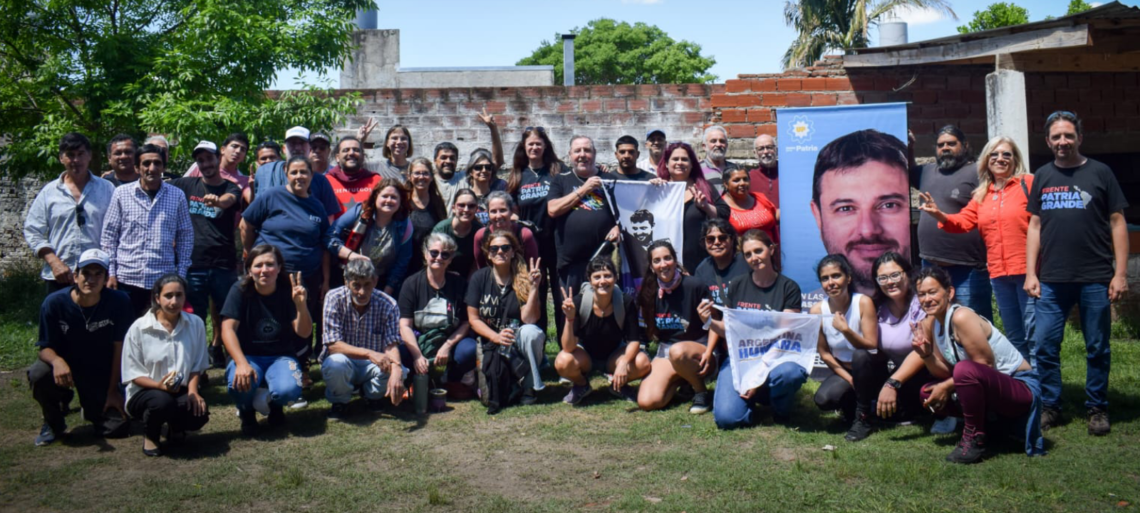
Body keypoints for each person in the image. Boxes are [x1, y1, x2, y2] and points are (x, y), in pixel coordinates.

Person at [1026, 111, 1129, 436]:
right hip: (1052, 280)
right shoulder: (1042, 175)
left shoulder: (1101, 173)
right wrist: (1031, 272)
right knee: (1045, 345)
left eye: (1068, 135)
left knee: (1097, 346)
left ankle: (1097, 408)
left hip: (1095, 277)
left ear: (1079, 138)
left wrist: (1120, 273)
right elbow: (1034, 225)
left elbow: (1117, 222)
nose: (1062, 142)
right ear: (1048, 141)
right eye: (1056, 137)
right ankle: (1051, 406)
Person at [918, 136, 1035, 361]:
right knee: (1015, 336)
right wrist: (939, 214)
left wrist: (1035, 272)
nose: (1000, 159)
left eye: (1006, 154)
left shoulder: (1028, 184)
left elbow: (1043, 225)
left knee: (1035, 335)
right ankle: (1026, 385)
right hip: (1000, 275)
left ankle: (1047, 391)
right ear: (987, 161)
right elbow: (962, 222)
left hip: (1027, 273)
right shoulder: (983, 194)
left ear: (1015, 159)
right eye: (994, 155)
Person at [913, 266, 1043, 464]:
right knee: (927, 392)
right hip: (991, 388)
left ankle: (974, 437)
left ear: (950, 292)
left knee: (964, 370)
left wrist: (946, 386)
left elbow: (984, 364)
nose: (927, 299)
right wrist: (926, 355)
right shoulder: (934, 322)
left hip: (1019, 386)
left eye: (933, 292)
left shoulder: (961, 316)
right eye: (921, 294)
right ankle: (992, 427)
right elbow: (946, 372)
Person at [702, 230, 808, 428]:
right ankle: (755, 399)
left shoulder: (789, 288)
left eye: (758, 251)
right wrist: (708, 321)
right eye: (748, 254)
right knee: (727, 419)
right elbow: (730, 331)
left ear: (771, 249)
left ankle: (779, 409)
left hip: (777, 357)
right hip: (743, 358)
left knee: (789, 373)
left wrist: (757, 378)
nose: (753, 258)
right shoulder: (736, 286)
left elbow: (784, 339)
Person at [27, 249, 132, 446]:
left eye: (98, 274)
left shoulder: (119, 301)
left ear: (106, 278)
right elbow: (44, 348)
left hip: (99, 369)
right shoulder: (54, 303)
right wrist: (57, 361)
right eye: (86, 273)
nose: (91, 280)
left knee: (116, 427)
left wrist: (112, 391)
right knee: (39, 374)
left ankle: (93, 405)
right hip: (66, 366)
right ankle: (53, 422)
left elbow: (120, 348)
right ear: (75, 276)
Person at [241, 156, 333, 371]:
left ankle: (301, 365)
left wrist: (326, 280)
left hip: (307, 275)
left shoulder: (316, 206)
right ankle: (267, 364)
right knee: (274, 320)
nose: (299, 176)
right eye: (294, 172)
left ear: (312, 175)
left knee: (302, 321)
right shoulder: (271, 197)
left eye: (304, 172)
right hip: (273, 275)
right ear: (286, 173)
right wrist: (251, 255)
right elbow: (246, 224)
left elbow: (324, 243)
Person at [810, 129, 912, 297]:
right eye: (845, 208)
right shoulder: (816, 315)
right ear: (818, 217)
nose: (868, 230)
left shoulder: (928, 310)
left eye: (889, 205)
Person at [221, 245, 309, 435]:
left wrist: (301, 306)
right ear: (249, 269)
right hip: (248, 355)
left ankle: (275, 407)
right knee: (238, 383)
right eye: (258, 265)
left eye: (270, 264)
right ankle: (246, 411)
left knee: (288, 390)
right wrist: (241, 363)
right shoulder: (239, 290)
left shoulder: (289, 290)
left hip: (281, 356)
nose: (264, 270)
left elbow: (304, 332)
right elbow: (227, 329)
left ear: (279, 268)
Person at [121, 274, 210, 456]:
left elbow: (196, 365)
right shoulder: (139, 328)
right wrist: (159, 386)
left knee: (198, 412)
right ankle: (151, 435)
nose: (174, 301)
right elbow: (132, 373)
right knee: (162, 402)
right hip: (144, 392)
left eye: (179, 295)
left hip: (180, 389)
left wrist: (193, 392)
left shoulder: (196, 324)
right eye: (168, 296)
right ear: (157, 298)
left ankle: (176, 428)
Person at [171, 141, 242, 368]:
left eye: (209, 158)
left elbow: (227, 201)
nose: (206, 164)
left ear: (217, 157)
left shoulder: (231, 187)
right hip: (193, 264)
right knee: (194, 319)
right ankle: (197, 368)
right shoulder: (186, 185)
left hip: (223, 264)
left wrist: (217, 201)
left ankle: (233, 365)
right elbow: (157, 183)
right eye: (200, 160)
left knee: (227, 315)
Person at [101, 143, 194, 315]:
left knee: (159, 332)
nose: (152, 168)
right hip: (127, 278)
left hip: (162, 279)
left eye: (157, 163)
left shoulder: (177, 195)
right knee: (125, 332)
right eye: (146, 164)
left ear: (164, 167)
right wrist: (111, 274)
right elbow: (109, 235)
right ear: (137, 168)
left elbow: (185, 236)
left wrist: (180, 275)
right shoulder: (121, 193)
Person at [912, 126, 992, 321]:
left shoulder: (978, 172)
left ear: (964, 145)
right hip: (930, 266)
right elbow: (903, 170)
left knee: (974, 323)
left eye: (951, 143)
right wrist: (910, 147)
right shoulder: (926, 171)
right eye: (941, 145)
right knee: (935, 321)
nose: (945, 148)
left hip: (967, 269)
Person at [855, 252, 933, 441]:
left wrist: (892, 383)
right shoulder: (877, 308)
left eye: (895, 275)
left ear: (908, 274)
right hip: (897, 374)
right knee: (861, 356)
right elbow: (875, 350)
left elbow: (922, 350)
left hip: (926, 373)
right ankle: (862, 418)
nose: (890, 282)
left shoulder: (922, 302)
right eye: (883, 278)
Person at [24, 132, 116, 293]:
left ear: (89, 156)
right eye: (70, 155)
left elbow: (119, 231)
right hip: (60, 275)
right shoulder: (49, 192)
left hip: (98, 276)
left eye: (81, 154)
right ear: (61, 158)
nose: (76, 160)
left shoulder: (107, 189)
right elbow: (32, 230)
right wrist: (53, 261)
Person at [466, 230, 545, 413]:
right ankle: (512, 384)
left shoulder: (523, 278)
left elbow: (529, 319)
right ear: (488, 253)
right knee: (489, 396)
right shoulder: (480, 278)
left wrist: (534, 289)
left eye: (505, 248)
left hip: (517, 340)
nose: (500, 252)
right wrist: (496, 337)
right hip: (491, 341)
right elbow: (473, 319)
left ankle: (529, 387)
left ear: (512, 251)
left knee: (531, 332)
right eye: (494, 248)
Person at [556, 257, 650, 405]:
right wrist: (569, 318)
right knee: (563, 361)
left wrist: (624, 362)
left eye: (607, 276)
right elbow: (568, 347)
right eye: (597, 277)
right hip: (586, 356)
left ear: (615, 277)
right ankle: (581, 385)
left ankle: (618, 386)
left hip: (614, 355)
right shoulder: (578, 302)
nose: (602, 281)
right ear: (589, 280)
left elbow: (634, 340)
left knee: (642, 362)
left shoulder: (625, 302)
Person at [547, 136, 621, 323]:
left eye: (587, 150)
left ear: (594, 154)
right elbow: (553, 209)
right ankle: (569, 349)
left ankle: (602, 349)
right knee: (569, 309)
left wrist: (619, 227)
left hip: (603, 260)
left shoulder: (610, 179)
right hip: (570, 261)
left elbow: (627, 212)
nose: (582, 155)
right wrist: (584, 189)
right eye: (577, 151)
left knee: (604, 309)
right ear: (570, 155)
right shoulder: (561, 180)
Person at [321, 259, 406, 420]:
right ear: (346, 282)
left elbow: (391, 343)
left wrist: (397, 368)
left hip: (373, 364)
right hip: (345, 360)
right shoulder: (333, 298)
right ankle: (340, 401)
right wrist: (369, 354)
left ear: (375, 281)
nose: (361, 291)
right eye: (356, 285)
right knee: (335, 363)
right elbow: (333, 345)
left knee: (401, 371)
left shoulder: (388, 304)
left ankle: (372, 396)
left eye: (367, 284)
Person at [636, 241, 714, 414]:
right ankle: (683, 378)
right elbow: (643, 331)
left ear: (675, 260)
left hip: (699, 350)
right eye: (657, 261)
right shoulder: (648, 292)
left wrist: (710, 350)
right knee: (647, 401)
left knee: (678, 351)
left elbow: (715, 325)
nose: (663, 264)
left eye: (667, 258)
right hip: (667, 351)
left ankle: (700, 392)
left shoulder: (695, 286)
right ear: (651, 266)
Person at [398, 233, 478, 392]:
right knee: (399, 352)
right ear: (425, 253)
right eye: (434, 252)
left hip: (450, 338)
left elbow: (465, 323)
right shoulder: (411, 284)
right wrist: (417, 355)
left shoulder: (459, 284)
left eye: (445, 254)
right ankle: (414, 379)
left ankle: (452, 377)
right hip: (419, 341)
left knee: (470, 350)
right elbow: (405, 326)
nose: (439, 257)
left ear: (451, 258)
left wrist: (447, 346)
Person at [809, 254, 879, 433]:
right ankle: (854, 408)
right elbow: (824, 353)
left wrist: (845, 330)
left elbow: (871, 346)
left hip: (869, 369)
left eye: (836, 276)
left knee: (860, 354)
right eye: (825, 279)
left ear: (848, 278)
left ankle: (864, 417)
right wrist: (849, 379)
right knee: (823, 399)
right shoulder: (817, 310)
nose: (830, 282)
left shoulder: (863, 302)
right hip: (845, 371)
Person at [511, 125, 567, 337]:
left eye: (538, 143)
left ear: (545, 146)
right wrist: (518, 219)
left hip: (558, 243)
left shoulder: (557, 170)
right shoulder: (518, 175)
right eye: (530, 144)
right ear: (524, 148)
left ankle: (566, 345)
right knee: (537, 295)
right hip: (531, 247)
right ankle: (539, 349)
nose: (534, 147)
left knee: (562, 296)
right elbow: (511, 209)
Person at [330, 177, 414, 296]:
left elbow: (402, 262)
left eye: (394, 197)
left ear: (400, 201)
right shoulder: (360, 212)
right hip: (348, 277)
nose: (389, 200)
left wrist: (386, 292)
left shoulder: (405, 225)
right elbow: (330, 236)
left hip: (381, 282)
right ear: (375, 197)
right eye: (384, 196)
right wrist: (351, 255)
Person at [654, 142, 720, 271]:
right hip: (666, 264)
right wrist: (650, 190)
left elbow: (724, 215)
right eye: (675, 159)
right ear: (666, 164)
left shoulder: (705, 188)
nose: (680, 162)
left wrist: (706, 207)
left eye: (684, 159)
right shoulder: (657, 190)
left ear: (692, 164)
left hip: (700, 262)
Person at [252, 126, 341, 221]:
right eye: (293, 143)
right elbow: (253, 216)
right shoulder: (266, 172)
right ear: (284, 149)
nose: (298, 148)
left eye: (302, 143)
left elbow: (329, 217)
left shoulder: (321, 181)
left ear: (310, 149)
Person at [472, 192, 539, 269]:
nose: (498, 216)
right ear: (488, 214)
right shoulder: (481, 236)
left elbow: (532, 267)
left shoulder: (524, 234)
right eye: (493, 211)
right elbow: (481, 267)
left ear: (511, 212)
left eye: (503, 210)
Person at [692, 219, 750, 308]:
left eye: (722, 238)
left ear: (732, 239)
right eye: (710, 239)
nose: (717, 242)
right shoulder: (702, 270)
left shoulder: (747, 262)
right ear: (704, 242)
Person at [406, 158, 449, 276]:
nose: (421, 177)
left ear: (431, 177)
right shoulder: (403, 201)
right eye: (417, 173)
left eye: (425, 173)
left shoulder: (437, 202)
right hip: (405, 265)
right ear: (409, 176)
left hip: (432, 264)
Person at [324, 136, 380, 220]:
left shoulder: (376, 181)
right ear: (337, 157)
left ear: (363, 156)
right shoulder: (326, 181)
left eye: (356, 150)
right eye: (346, 150)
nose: (351, 153)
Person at [716, 167, 778, 241]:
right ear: (726, 184)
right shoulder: (721, 207)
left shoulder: (760, 198)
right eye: (736, 180)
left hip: (769, 250)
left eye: (745, 179)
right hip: (740, 251)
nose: (742, 183)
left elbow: (775, 216)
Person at [432, 189, 483, 277]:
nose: (466, 209)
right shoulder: (441, 230)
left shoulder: (479, 231)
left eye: (471, 206)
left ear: (476, 209)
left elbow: (478, 261)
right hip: (443, 275)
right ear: (453, 208)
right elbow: (433, 258)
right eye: (461, 205)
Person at [185, 133, 252, 190]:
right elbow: (182, 187)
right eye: (234, 146)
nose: (238, 151)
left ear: (244, 157)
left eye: (242, 149)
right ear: (222, 149)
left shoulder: (243, 180)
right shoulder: (200, 165)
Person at [464, 148, 508, 225]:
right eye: (478, 167)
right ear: (471, 171)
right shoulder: (466, 197)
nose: (484, 170)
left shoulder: (498, 197)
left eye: (488, 167)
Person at [243, 140, 283, 208]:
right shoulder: (249, 181)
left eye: (272, 157)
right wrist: (253, 188)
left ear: (280, 158)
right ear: (257, 162)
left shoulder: (289, 175)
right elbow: (253, 207)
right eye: (263, 158)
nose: (268, 161)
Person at [699, 125, 737, 194]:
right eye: (713, 141)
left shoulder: (736, 169)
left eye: (722, 141)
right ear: (704, 146)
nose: (718, 144)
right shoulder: (697, 169)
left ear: (727, 145)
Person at [750, 134, 779, 209]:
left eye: (769, 147)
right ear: (755, 153)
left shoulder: (786, 173)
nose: (765, 152)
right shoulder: (750, 177)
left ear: (776, 150)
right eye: (761, 149)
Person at [433, 142, 464, 210]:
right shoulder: (428, 181)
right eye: (443, 157)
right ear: (435, 160)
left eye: (452, 158)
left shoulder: (463, 178)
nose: (448, 161)